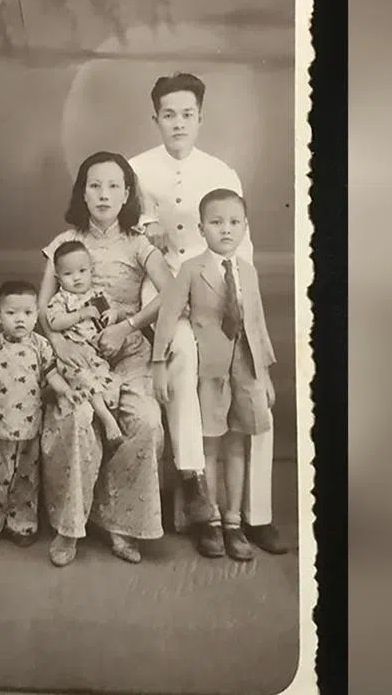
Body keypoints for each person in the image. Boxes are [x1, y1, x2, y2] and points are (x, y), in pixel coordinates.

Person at [130, 72, 288, 553]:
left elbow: (243, 247)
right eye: (169, 115)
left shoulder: (222, 172)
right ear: (155, 118)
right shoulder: (137, 170)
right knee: (183, 355)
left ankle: (257, 515)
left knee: (252, 386)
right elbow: (135, 239)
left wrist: (239, 305)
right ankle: (198, 494)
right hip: (165, 292)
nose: (178, 124)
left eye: (187, 115)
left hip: (219, 290)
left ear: (201, 118)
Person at [38, 151, 175, 567]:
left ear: (127, 193)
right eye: (94, 185)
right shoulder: (63, 243)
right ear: (82, 193)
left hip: (127, 352)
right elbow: (43, 307)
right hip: (77, 354)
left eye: (114, 186)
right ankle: (70, 525)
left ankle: (121, 523)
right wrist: (58, 344)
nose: (103, 194)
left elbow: (172, 291)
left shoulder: (138, 243)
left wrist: (128, 325)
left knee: (146, 420)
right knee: (79, 418)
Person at [152, 189, 277, 560]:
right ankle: (211, 521)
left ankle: (234, 521)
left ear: (245, 227)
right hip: (210, 370)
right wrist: (159, 364)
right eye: (216, 222)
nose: (226, 230)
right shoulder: (192, 270)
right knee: (210, 443)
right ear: (201, 228)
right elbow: (168, 316)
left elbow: (257, 324)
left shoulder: (248, 272)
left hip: (246, 369)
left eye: (234, 222)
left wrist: (265, 375)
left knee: (238, 443)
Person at [0, 280, 71, 547]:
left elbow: (51, 375)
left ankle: (22, 525)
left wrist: (64, 391)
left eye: (27, 313)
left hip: (29, 426)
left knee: (26, 478)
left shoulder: (41, 346)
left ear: (36, 315)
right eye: (12, 313)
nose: (20, 319)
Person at [45, 240, 124, 442]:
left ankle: (110, 429)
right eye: (68, 274)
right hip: (72, 356)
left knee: (109, 384)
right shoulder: (60, 299)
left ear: (91, 271)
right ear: (58, 278)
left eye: (82, 271)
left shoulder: (97, 295)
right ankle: (107, 420)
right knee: (86, 380)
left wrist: (112, 314)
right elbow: (54, 322)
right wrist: (80, 314)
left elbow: (111, 313)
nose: (77, 278)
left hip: (95, 355)